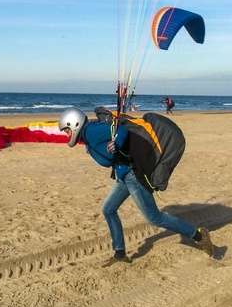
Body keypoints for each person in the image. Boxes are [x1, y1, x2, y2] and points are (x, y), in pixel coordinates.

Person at [58, 107, 214, 265]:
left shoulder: (91, 131)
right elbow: (107, 159)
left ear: (74, 124)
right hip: (124, 175)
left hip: (133, 175)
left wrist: (116, 143)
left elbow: (121, 131)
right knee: (109, 209)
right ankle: (120, 254)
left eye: (67, 130)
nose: (67, 134)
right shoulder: (88, 137)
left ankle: (199, 236)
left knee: (154, 218)